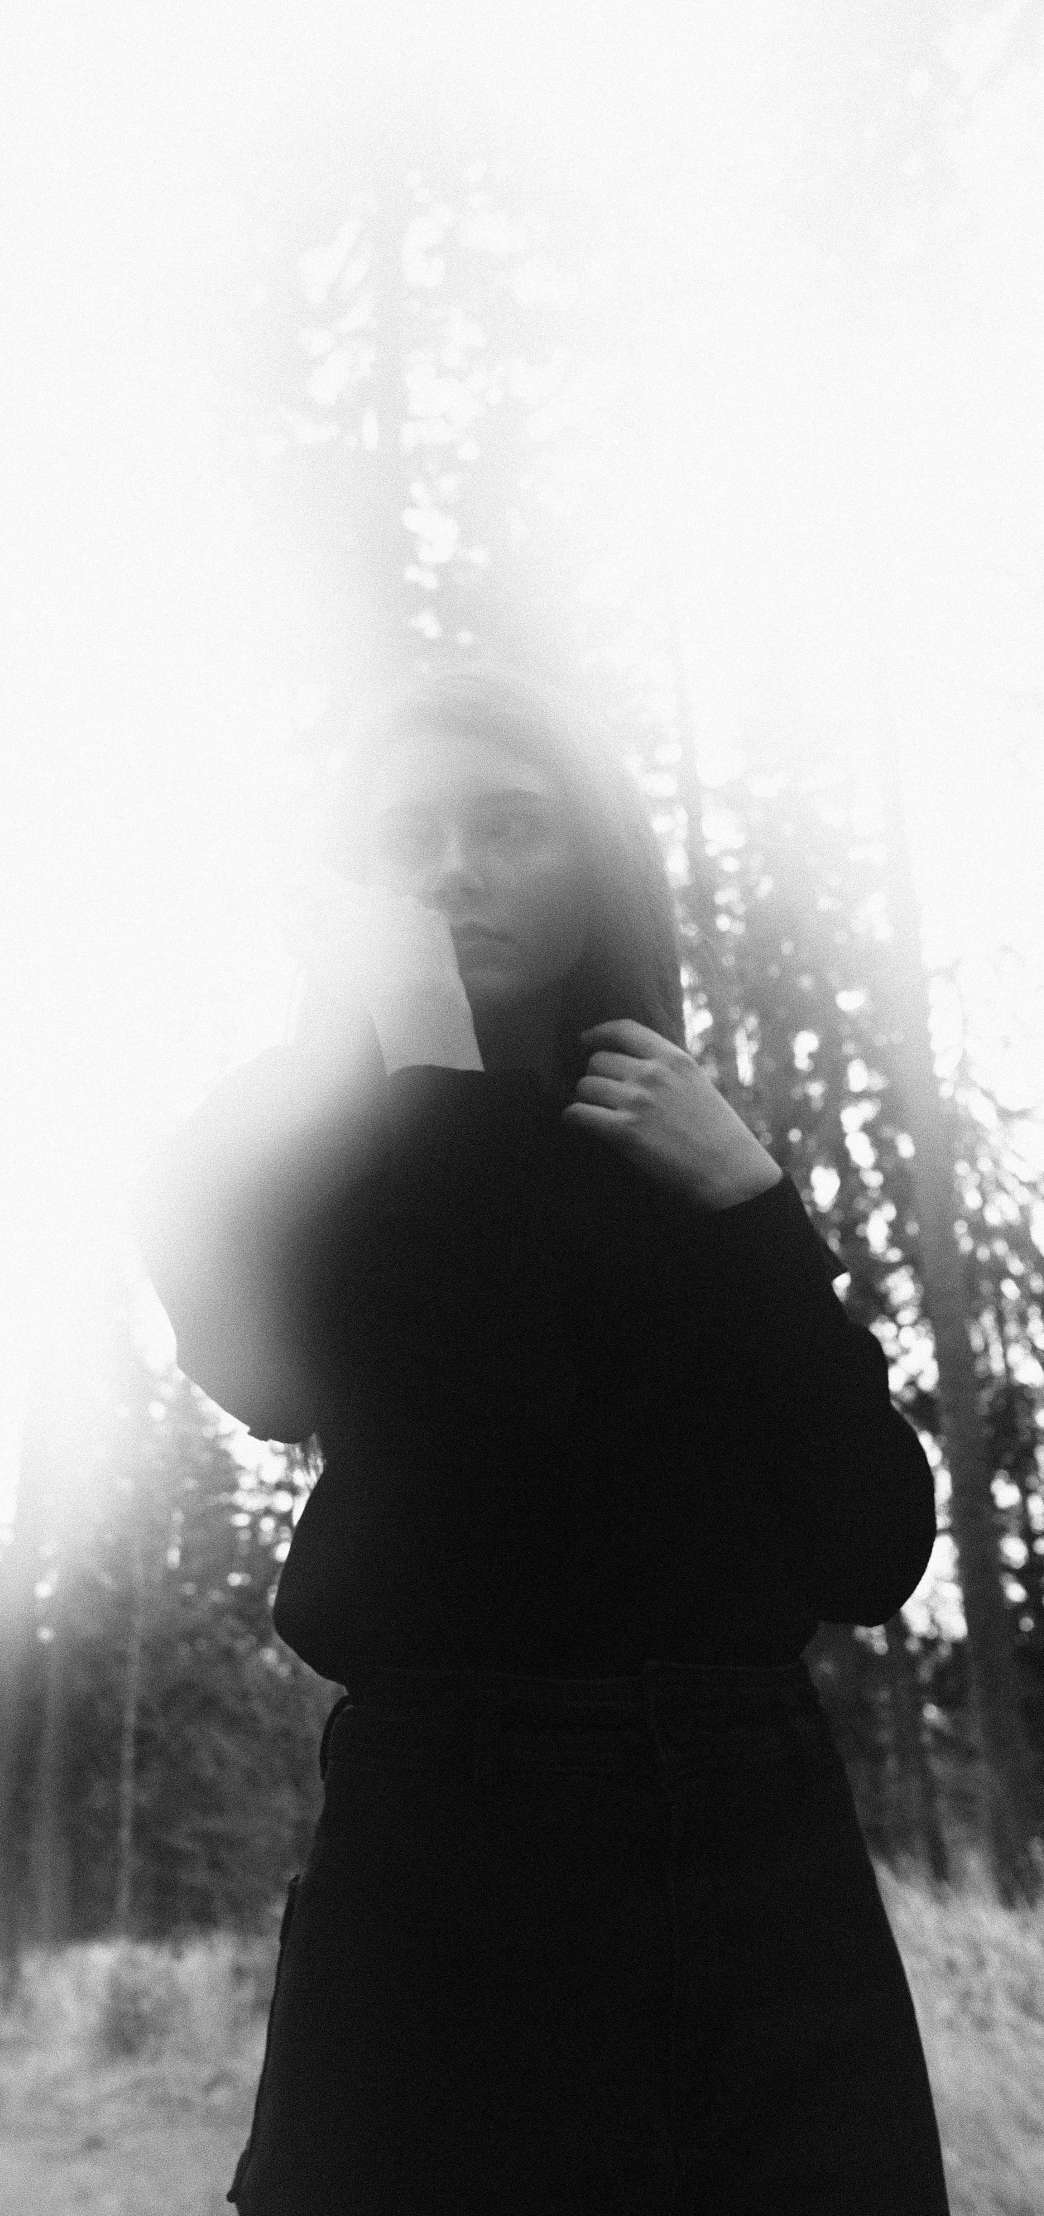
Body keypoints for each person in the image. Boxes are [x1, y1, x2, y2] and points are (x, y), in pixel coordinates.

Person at [134, 665, 951, 2214]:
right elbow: (469, 1458)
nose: (451, 868)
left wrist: (757, 1215)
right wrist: (429, 1058)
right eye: (404, 838)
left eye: (510, 824)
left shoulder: (682, 1136)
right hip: (456, 1849)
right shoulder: (249, 1163)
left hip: (759, 1848)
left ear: (596, 866)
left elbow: (872, 1541)